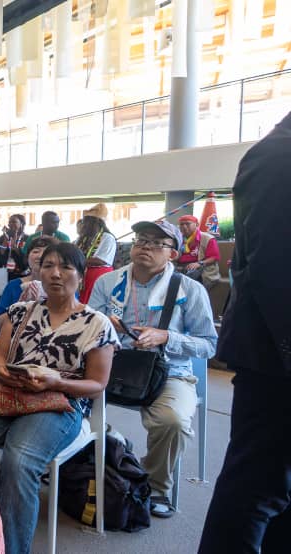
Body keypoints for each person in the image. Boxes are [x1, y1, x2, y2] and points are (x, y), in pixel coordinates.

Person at [0, 242, 118, 554]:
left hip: (60, 403)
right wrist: (3, 371)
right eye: (48, 266)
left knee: (19, 462)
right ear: (39, 272)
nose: (55, 273)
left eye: (66, 267)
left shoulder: (97, 323)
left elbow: (97, 385)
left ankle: (11, 549)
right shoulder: (20, 312)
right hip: (8, 393)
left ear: (81, 276)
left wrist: (57, 381)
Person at [199, 111, 291, 553]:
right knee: (256, 490)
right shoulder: (279, 157)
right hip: (276, 363)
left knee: (277, 492)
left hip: (276, 358)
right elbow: (278, 273)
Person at [88, 220, 217, 518]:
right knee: (65, 401)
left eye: (157, 243)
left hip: (168, 371)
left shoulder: (190, 290)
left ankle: (155, 486)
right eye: (141, 239)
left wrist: (167, 337)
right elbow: (87, 326)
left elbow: (209, 345)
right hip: (112, 364)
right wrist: (105, 327)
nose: (146, 246)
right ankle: (105, 456)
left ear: (173, 253)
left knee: (172, 421)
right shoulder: (108, 282)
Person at [0, 236, 60, 326]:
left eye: (46, 252)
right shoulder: (14, 286)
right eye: (36, 251)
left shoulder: (62, 286)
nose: (40, 256)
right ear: (28, 257)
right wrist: (20, 308)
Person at [75, 204, 117, 303]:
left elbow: (101, 260)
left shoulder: (107, 238)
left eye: (86, 222)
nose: (84, 225)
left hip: (99, 277)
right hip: (82, 276)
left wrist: (75, 260)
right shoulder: (82, 238)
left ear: (96, 222)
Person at [175, 214, 221, 289]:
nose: (184, 226)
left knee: (189, 278)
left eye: (187, 224)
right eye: (181, 224)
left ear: (196, 224)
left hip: (201, 268)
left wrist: (199, 263)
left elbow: (214, 257)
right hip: (180, 267)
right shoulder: (178, 239)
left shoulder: (208, 238)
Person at [0, 214, 29, 281]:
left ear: (21, 224)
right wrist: (3, 246)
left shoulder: (27, 239)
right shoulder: (2, 238)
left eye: (14, 222)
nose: (11, 224)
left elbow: (27, 260)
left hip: (23, 275)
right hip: (5, 275)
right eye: (9, 222)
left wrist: (16, 249)